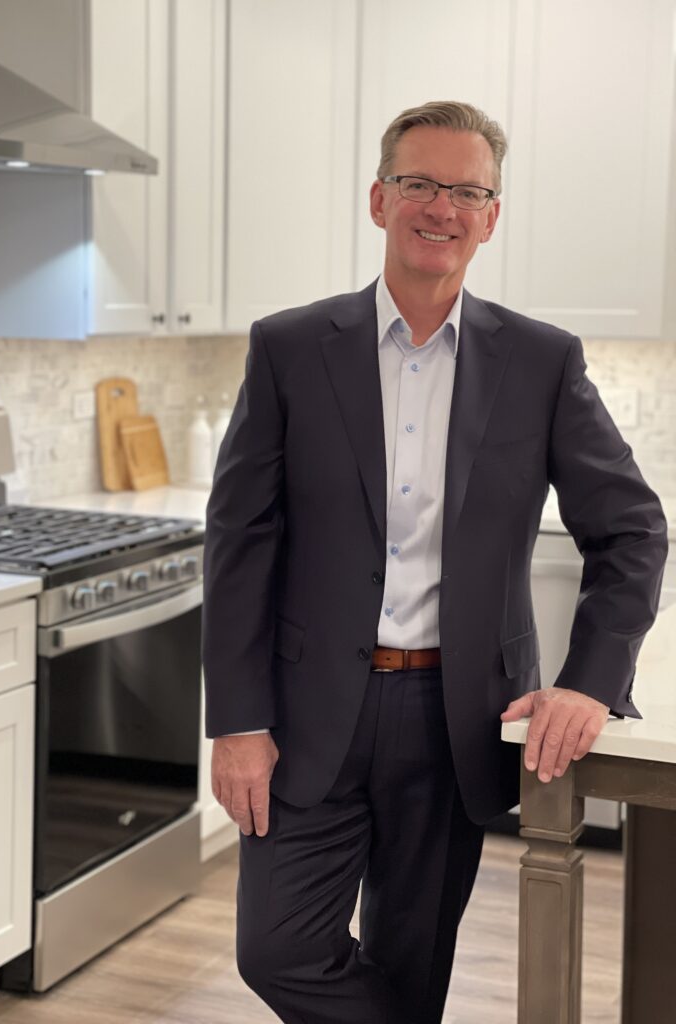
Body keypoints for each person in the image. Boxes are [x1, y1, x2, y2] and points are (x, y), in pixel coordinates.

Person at [201, 101, 668, 1024]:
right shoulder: (290, 348)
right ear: (379, 199)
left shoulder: (540, 361)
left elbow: (633, 531)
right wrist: (238, 720)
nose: (440, 208)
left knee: (413, 969)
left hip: (453, 718)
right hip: (305, 717)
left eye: (467, 191)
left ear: (491, 216)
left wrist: (590, 682)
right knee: (276, 951)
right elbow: (240, 543)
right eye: (418, 183)